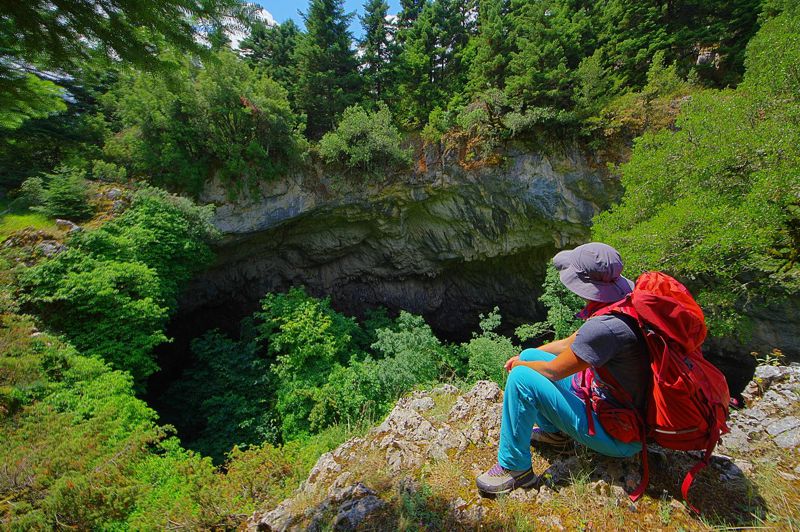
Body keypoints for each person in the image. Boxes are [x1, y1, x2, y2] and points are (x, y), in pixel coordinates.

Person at [476, 242, 649, 495]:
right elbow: (572, 343)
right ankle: (556, 434)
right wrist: (527, 356)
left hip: (620, 436)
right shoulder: (624, 305)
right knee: (530, 355)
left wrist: (520, 365)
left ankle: (515, 470)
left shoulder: (604, 328)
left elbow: (554, 372)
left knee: (522, 378)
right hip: (619, 408)